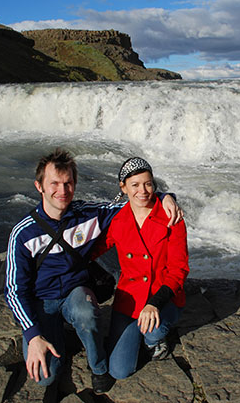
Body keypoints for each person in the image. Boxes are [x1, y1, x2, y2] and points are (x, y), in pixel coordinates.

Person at [4, 148, 182, 394]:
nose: (62, 191)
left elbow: (137, 198)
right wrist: (33, 336)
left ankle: (97, 369)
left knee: (85, 311)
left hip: (75, 294)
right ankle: (58, 334)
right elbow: (14, 291)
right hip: (41, 301)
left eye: (68, 183)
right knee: (45, 377)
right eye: (54, 183)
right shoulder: (23, 233)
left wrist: (165, 196)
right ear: (39, 186)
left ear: (75, 184)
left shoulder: (88, 214)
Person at [93, 157, 189, 380]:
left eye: (148, 183)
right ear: (123, 187)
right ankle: (139, 335)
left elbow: (179, 269)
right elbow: (93, 249)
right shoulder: (117, 220)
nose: (143, 191)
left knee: (152, 329)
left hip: (163, 297)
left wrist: (155, 303)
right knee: (119, 370)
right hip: (130, 300)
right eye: (135, 185)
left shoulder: (171, 216)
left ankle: (155, 341)